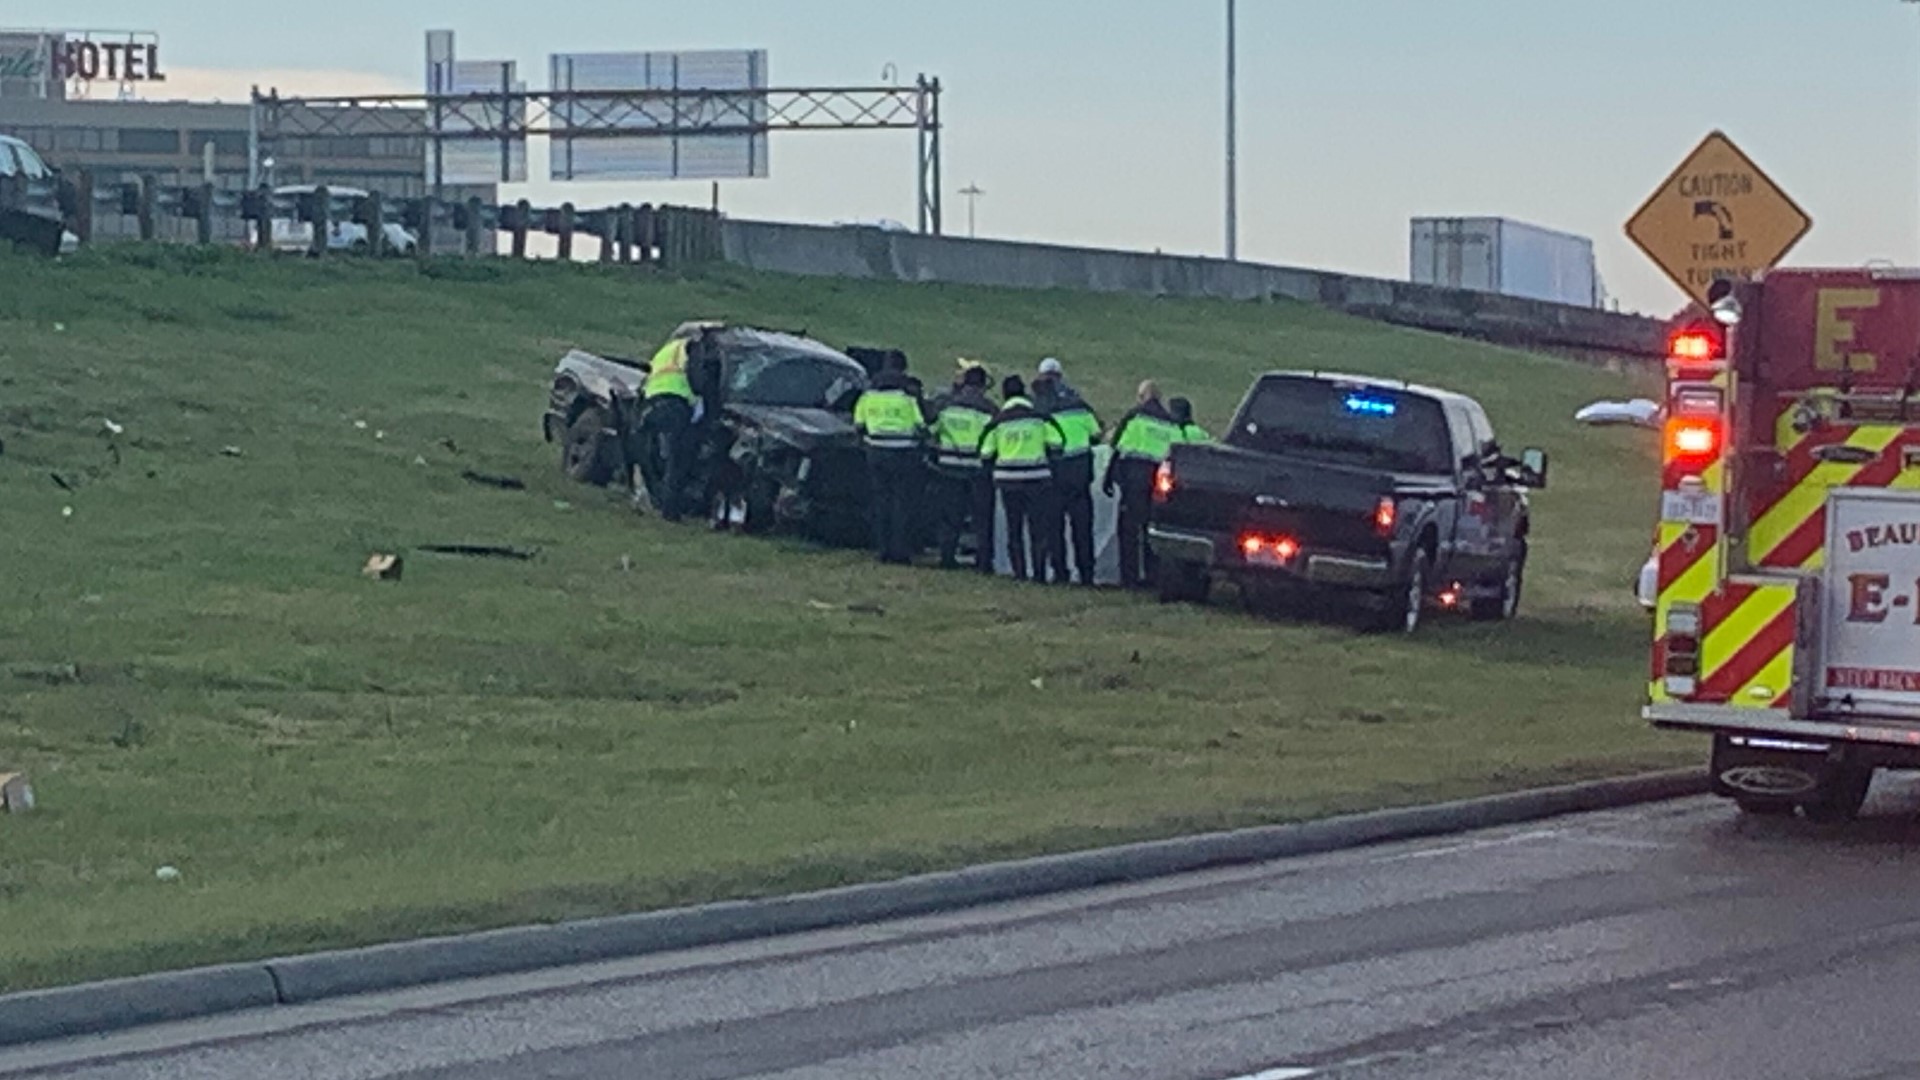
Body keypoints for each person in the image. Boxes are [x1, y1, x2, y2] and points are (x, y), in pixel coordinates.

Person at [981, 375, 1064, 582]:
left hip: (1009, 481)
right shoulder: (1040, 418)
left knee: (1014, 527)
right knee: (1038, 528)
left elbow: (985, 453)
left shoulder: (998, 422)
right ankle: (1039, 573)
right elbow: (1058, 444)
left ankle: (1019, 573)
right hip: (1037, 479)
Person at [1103, 379, 1181, 589]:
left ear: (1141, 397)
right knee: (1152, 532)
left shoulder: (1135, 416)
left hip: (1134, 481)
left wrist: (1108, 479)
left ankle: (1129, 578)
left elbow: (1116, 447)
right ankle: (1153, 577)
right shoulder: (1172, 424)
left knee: (1128, 531)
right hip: (1159, 487)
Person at [1032, 357, 1102, 586]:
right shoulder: (1078, 402)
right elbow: (1096, 433)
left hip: (1053, 474)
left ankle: (1060, 572)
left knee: (1054, 528)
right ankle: (1086, 574)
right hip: (1080, 474)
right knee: (1082, 529)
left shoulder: (1039, 404)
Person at [853, 352, 928, 565]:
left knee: (881, 501)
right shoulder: (908, 397)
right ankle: (901, 551)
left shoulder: (868, 397)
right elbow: (921, 426)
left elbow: (859, 425)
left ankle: (883, 550)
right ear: (903, 370)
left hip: (876, 452)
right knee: (902, 503)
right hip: (904, 454)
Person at [927, 361, 998, 571]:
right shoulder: (989, 410)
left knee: (950, 516)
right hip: (977, 470)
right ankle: (984, 561)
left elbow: (932, 432)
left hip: (949, 468)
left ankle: (947, 557)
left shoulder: (947, 406)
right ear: (983, 386)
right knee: (982, 518)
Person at [636, 330, 703, 522]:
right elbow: (697, 379)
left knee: (653, 453)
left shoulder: (667, 350)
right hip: (676, 406)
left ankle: (649, 496)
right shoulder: (692, 348)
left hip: (652, 403)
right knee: (678, 460)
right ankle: (670, 511)